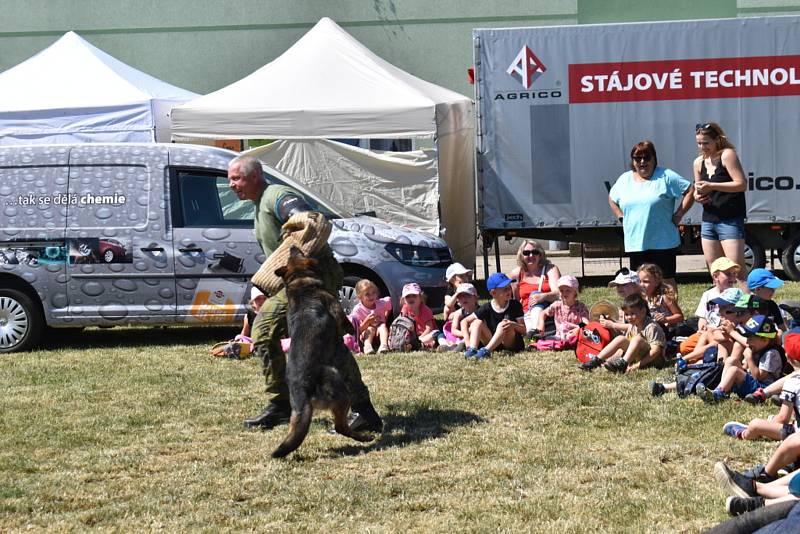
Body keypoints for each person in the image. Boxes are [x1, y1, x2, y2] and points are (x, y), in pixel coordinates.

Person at [228, 155, 382, 432]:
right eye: (230, 179)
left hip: (314, 278)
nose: (231, 185)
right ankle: (293, 404)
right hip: (297, 282)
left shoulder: (276, 195)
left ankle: (286, 405)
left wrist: (295, 218)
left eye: (236, 178)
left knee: (266, 331)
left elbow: (307, 219)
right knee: (328, 348)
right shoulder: (258, 204)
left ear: (254, 176)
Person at [608, 140, 694, 289]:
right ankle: (645, 312)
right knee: (639, 282)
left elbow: (690, 191)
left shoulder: (666, 176)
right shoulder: (625, 179)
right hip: (636, 242)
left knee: (666, 281)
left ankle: (671, 312)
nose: (642, 162)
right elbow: (611, 198)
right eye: (637, 158)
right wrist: (621, 217)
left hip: (663, 241)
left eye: (646, 157)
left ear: (654, 158)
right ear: (633, 161)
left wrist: (679, 214)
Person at [693, 122, 748, 279]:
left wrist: (712, 185)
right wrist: (698, 196)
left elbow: (741, 184)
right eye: (699, 143)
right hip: (709, 220)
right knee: (715, 269)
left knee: (736, 269)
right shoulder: (698, 162)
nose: (702, 147)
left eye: (706, 143)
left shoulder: (727, 155)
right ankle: (721, 303)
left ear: (717, 140)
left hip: (730, 220)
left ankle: (747, 302)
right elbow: (698, 189)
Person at [697, 315, 784, 403]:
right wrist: (745, 364)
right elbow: (747, 369)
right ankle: (721, 390)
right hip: (754, 383)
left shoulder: (771, 353)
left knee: (734, 370)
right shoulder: (757, 348)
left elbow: (759, 377)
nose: (747, 341)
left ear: (765, 340)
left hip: (762, 388)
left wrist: (749, 358)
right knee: (731, 361)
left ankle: (718, 394)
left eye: (750, 338)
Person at [580, 293, 665, 373]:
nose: (629, 317)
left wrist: (637, 365)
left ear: (643, 311)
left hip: (654, 361)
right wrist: (608, 361)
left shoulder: (652, 327)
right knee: (621, 338)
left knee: (637, 339)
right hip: (638, 356)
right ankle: (596, 361)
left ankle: (623, 364)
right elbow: (623, 333)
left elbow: (656, 351)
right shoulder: (634, 325)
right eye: (627, 314)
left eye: (632, 313)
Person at [464, 272, 526, 360]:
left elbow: (524, 330)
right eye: (505, 289)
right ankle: (472, 349)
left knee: (503, 324)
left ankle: (485, 351)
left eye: (509, 287)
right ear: (493, 293)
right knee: (477, 322)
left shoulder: (515, 305)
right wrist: (467, 342)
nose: (509, 291)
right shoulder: (487, 307)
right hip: (493, 343)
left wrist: (513, 325)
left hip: (511, 344)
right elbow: (464, 321)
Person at [508, 240, 561, 335]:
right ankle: (533, 332)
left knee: (536, 296)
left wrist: (543, 296)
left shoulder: (550, 269)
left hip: (548, 312)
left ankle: (535, 332)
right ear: (521, 256)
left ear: (540, 255)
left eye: (535, 252)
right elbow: (514, 299)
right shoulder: (516, 273)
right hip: (526, 314)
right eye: (526, 253)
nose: (531, 256)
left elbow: (559, 293)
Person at [535, 275, 589, 346]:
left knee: (583, 337)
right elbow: (543, 313)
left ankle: (562, 344)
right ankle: (533, 343)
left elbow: (586, 322)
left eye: (568, 290)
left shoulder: (580, 307)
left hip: (574, 335)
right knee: (535, 337)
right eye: (561, 290)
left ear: (575, 292)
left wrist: (578, 329)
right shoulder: (557, 305)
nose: (564, 293)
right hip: (559, 337)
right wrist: (541, 325)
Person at [637, 263, 684, 336]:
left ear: (656, 282)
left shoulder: (664, 298)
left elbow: (680, 316)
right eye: (639, 281)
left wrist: (666, 319)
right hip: (650, 331)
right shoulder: (642, 298)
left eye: (646, 281)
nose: (641, 285)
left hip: (668, 331)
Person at [348, 279, 392, 354]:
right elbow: (357, 331)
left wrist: (385, 319)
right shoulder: (358, 309)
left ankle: (384, 345)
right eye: (367, 294)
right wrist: (367, 321)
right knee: (370, 328)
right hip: (366, 333)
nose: (371, 296)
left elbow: (389, 304)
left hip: (379, 332)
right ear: (360, 297)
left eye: (373, 293)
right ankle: (367, 346)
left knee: (382, 326)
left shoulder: (380, 303)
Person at [438, 282, 478, 352]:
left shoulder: (479, 311)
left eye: (467, 295)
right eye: (460, 296)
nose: (464, 298)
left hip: (473, 336)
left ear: (475, 297)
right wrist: (464, 333)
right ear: (458, 300)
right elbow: (453, 330)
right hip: (460, 335)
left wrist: (467, 334)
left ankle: (460, 346)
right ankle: (445, 345)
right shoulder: (459, 313)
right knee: (440, 335)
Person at [399, 282, 439, 349]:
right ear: (404, 300)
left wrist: (419, 338)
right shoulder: (405, 308)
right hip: (414, 335)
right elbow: (403, 324)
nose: (411, 298)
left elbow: (429, 328)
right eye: (407, 296)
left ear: (420, 298)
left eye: (414, 295)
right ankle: (419, 344)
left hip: (426, 333)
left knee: (435, 334)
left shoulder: (425, 310)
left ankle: (418, 344)